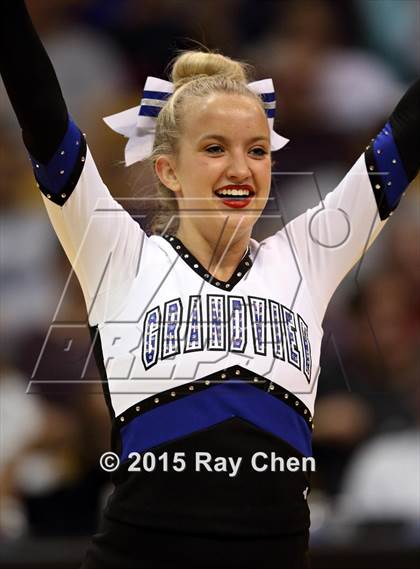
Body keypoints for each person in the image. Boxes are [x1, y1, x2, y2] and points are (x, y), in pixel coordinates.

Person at [1, 2, 418, 568]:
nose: (241, 170)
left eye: (257, 151)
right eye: (215, 149)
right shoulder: (117, 256)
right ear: (169, 168)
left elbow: (403, 142)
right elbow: (43, 115)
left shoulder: (305, 260)